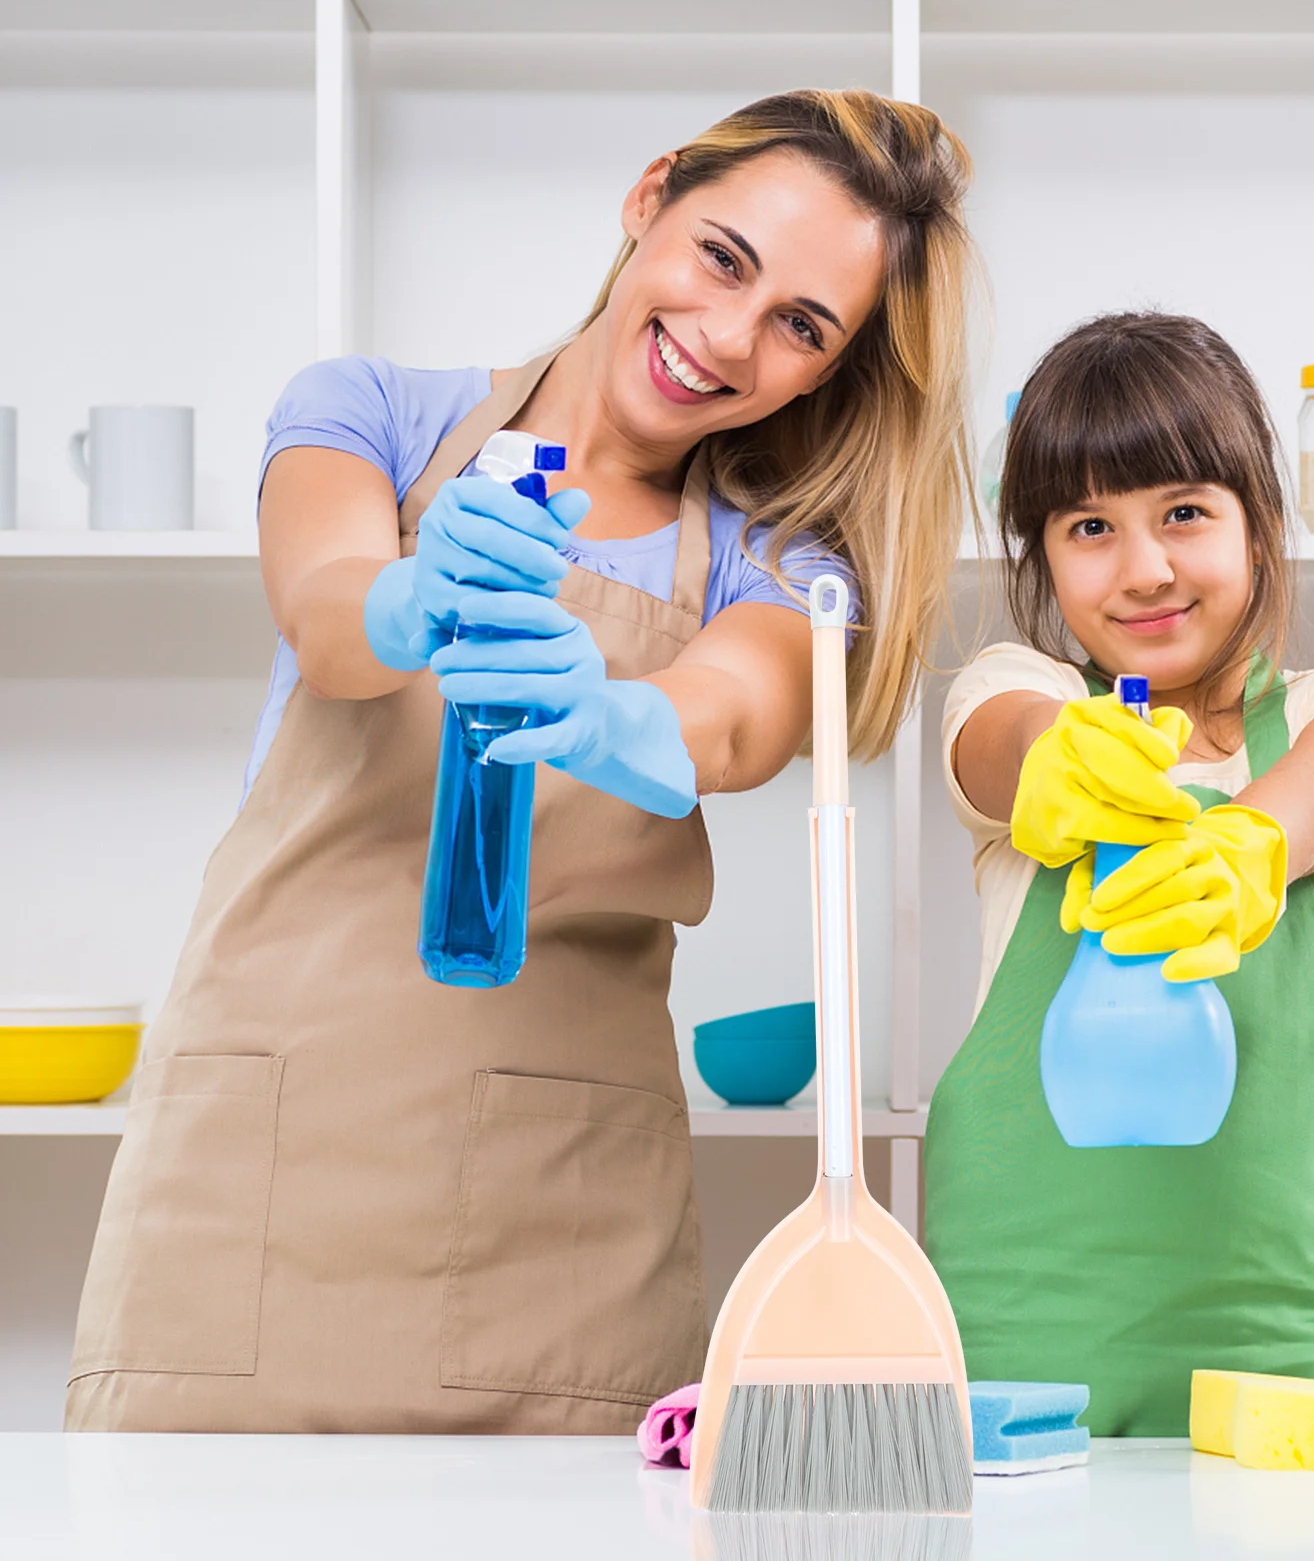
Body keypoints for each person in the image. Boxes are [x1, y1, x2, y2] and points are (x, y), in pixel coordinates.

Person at [66, 89, 976, 1433]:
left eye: (801, 327)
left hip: (558, 1226)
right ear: (651, 194)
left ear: (828, 372)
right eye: (723, 256)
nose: (727, 337)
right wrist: (403, 600)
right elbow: (326, 606)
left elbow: (736, 714)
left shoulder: (775, 561)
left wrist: (618, 719)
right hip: (251, 1176)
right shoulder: (367, 411)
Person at [924, 312, 1314, 1435]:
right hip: (1017, 1367)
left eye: (1185, 513)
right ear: (1042, 556)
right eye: (1088, 526)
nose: (1145, 567)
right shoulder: (1026, 704)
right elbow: (995, 741)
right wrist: (1057, 760)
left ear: (1258, 524)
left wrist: (1257, 837)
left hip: (1289, 1368)